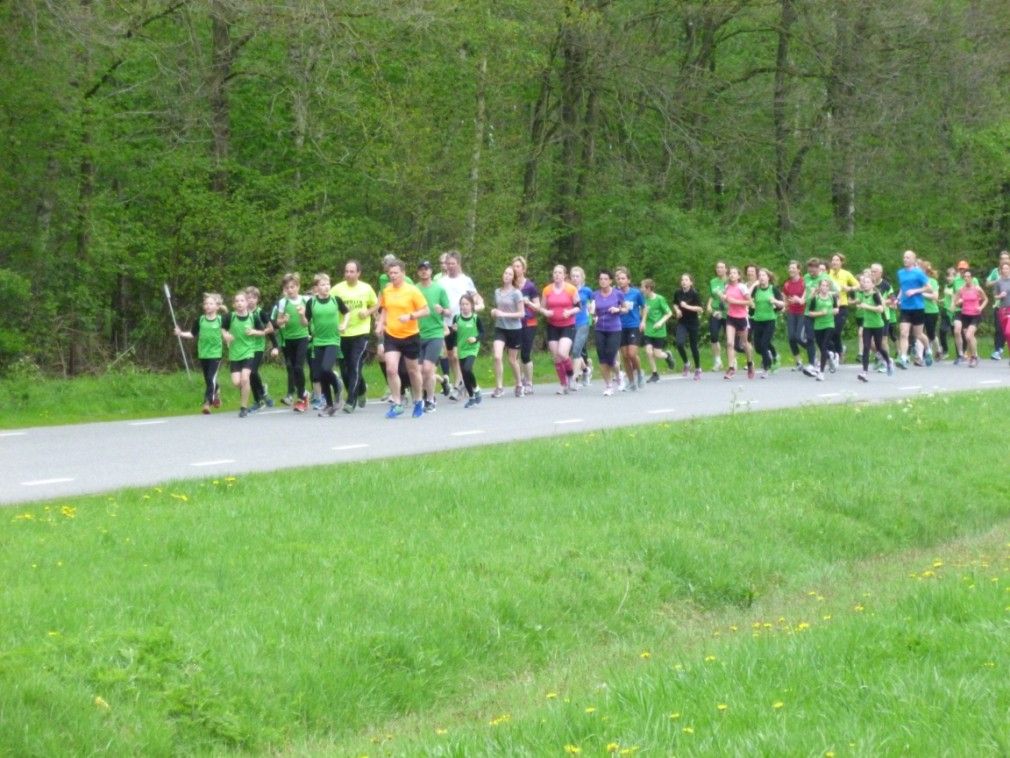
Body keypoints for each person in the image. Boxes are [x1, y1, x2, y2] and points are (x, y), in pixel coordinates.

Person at [375, 260, 429, 418]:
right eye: (390, 273)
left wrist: (411, 316)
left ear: (403, 274)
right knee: (391, 368)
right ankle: (397, 403)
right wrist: (380, 324)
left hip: (410, 335)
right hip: (391, 335)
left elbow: (426, 311)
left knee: (413, 371)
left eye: (395, 273)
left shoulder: (412, 291)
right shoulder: (387, 290)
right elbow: (385, 308)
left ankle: (419, 400)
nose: (392, 276)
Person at [333, 259, 378, 413]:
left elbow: (376, 304)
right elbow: (329, 303)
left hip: (361, 332)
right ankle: (361, 389)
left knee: (354, 364)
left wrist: (368, 312)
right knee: (345, 368)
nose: (349, 274)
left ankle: (351, 399)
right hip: (343, 333)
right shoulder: (337, 289)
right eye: (346, 271)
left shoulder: (366, 288)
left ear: (359, 273)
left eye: (352, 271)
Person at [439, 251, 484, 400]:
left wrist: (475, 307)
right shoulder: (441, 281)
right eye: (448, 264)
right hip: (448, 323)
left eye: (453, 263)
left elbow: (477, 299)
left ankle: (459, 384)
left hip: (463, 324)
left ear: (458, 264)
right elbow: (438, 301)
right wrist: (441, 310)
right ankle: (460, 381)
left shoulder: (466, 280)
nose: (450, 266)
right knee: (451, 355)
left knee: (459, 354)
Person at [302, 274, 350, 416]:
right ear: (316, 288)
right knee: (320, 374)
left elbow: (347, 313)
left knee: (325, 368)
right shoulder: (312, 303)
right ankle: (329, 405)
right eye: (322, 285)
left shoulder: (336, 300)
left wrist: (344, 324)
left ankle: (337, 385)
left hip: (333, 340)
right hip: (318, 341)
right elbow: (305, 323)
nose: (326, 287)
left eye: (328, 284)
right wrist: (301, 315)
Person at [174, 292, 226, 414]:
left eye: (211, 303)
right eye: (206, 303)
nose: (207, 306)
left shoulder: (221, 320)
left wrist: (229, 337)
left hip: (216, 354)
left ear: (217, 306)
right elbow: (192, 334)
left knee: (210, 377)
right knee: (208, 379)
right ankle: (216, 390)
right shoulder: (200, 320)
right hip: (203, 354)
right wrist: (180, 333)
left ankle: (207, 402)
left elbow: (228, 332)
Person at [221, 290, 267, 417]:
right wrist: (226, 335)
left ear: (247, 303)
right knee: (237, 382)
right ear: (234, 305)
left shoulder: (253, 317)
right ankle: (252, 394)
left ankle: (243, 407)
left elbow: (263, 331)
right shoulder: (230, 317)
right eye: (237, 301)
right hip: (234, 354)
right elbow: (223, 329)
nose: (239, 303)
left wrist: (253, 331)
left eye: (242, 301)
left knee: (245, 378)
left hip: (249, 352)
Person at [539, 264, 581, 394]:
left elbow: (578, 306)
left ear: (564, 275)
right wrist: (545, 313)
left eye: (559, 273)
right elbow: (542, 307)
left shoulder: (571, 289)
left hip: (567, 325)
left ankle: (570, 374)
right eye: (555, 273)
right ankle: (563, 384)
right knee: (557, 357)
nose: (556, 275)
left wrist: (569, 312)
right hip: (552, 325)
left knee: (563, 353)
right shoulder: (547, 290)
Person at [415, 260, 451, 412]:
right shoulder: (414, 290)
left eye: (427, 269)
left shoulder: (439, 289)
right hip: (417, 334)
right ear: (418, 272)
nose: (424, 272)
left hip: (435, 333)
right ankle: (425, 396)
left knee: (428, 369)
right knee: (418, 370)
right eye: (421, 269)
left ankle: (430, 399)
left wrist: (442, 310)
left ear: (431, 271)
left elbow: (449, 311)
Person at [273, 273, 311, 412]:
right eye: (287, 287)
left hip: (302, 337)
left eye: (293, 287)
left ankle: (301, 398)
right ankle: (304, 393)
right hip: (288, 339)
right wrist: (284, 320)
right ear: (284, 289)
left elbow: (307, 322)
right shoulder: (283, 302)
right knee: (292, 367)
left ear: (298, 287)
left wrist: (302, 315)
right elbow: (277, 322)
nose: (290, 290)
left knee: (298, 367)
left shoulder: (306, 300)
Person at [490, 265, 524, 398]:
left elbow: (522, 314)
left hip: (515, 329)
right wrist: (493, 312)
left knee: (512, 360)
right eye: (505, 273)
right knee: (497, 356)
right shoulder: (497, 291)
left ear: (513, 278)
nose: (507, 276)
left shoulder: (516, 293)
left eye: (510, 274)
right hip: (500, 328)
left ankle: (519, 384)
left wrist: (504, 314)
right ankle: (499, 387)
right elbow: (497, 309)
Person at [895, 249, 933, 369]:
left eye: (908, 257)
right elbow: (903, 287)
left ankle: (928, 350)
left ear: (913, 260)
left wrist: (915, 291)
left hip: (917, 307)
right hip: (905, 307)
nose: (905, 259)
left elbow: (929, 288)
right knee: (903, 333)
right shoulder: (900, 273)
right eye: (904, 257)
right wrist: (898, 298)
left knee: (918, 334)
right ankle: (903, 357)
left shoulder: (918, 273)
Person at [589, 270, 625, 396]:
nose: (603, 281)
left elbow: (625, 309)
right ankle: (609, 385)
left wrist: (618, 309)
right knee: (602, 358)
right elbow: (593, 312)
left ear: (610, 281)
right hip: (599, 329)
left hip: (614, 328)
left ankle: (618, 373)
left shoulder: (618, 294)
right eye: (600, 279)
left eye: (605, 279)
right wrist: (592, 314)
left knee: (611, 356)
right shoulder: (595, 295)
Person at [853, 273, 893, 381]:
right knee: (866, 347)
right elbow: (858, 300)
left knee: (879, 347)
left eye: (867, 282)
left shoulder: (875, 295)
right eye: (864, 282)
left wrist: (867, 306)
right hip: (867, 325)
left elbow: (881, 309)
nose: (865, 284)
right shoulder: (862, 294)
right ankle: (864, 372)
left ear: (872, 284)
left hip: (878, 325)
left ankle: (888, 361)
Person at [719, 266, 755, 379]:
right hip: (731, 317)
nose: (732, 275)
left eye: (734, 273)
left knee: (745, 344)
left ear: (739, 276)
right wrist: (723, 298)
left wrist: (734, 301)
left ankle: (750, 364)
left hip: (742, 318)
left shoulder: (742, 287)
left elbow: (750, 303)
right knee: (730, 343)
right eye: (730, 273)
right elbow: (726, 301)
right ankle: (731, 368)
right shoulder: (727, 286)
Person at [244, 286, 275, 410]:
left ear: (257, 299)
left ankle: (260, 396)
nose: (250, 300)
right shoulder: (242, 313)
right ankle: (260, 397)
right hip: (245, 347)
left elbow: (271, 328)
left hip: (258, 346)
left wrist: (257, 332)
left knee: (252, 371)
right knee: (249, 374)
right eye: (248, 298)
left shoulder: (260, 313)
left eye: (253, 298)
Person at [512, 256, 540, 394]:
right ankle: (521, 379)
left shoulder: (530, 286)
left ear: (523, 268)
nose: (516, 269)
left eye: (518, 266)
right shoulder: (510, 285)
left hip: (529, 322)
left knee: (525, 353)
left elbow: (538, 307)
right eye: (514, 266)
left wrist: (527, 302)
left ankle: (529, 382)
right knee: (514, 354)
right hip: (514, 323)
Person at [615, 266, 645, 390]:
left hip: (633, 325)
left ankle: (639, 372)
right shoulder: (615, 293)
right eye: (619, 278)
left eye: (623, 278)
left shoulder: (636, 293)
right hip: (620, 326)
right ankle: (631, 381)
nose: (620, 280)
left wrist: (643, 321)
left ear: (628, 280)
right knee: (625, 356)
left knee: (632, 354)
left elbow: (644, 307)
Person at [640, 278, 676, 382]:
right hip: (648, 330)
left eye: (642, 287)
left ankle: (667, 355)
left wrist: (660, 322)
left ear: (649, 288)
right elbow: (642, 314)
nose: (641, 289)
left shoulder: (660, 299)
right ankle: (655, 374)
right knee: (648, 351)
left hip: (659, 330)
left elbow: (669, 313)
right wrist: (643, 319)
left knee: (657, 354)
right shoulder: (643, 299)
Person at [750, 268, 784, 378]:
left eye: (763, 275)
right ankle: (773, 354)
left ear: (768, 278)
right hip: (757, 320)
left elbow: (782, 304)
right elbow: (747, 296)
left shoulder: (773, 289)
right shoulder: (756, 290)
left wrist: (775, 301)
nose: (761, 277)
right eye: (759, 275)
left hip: (770, 320)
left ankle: (766, 368)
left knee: (764, 344)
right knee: (758, 347)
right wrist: (753, 285)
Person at [782, 261, 814, 370]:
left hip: (803, 312)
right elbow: (785, 299)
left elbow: (808, 296)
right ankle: (799, 362)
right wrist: (783, 307)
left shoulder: (804, 282)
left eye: (793, 268)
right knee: (791, 338)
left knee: (799, 337)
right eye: (789, 268)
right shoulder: (787, 284)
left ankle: (812, 354)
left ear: (799, 270)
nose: (791, 270)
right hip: (791, 312)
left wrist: (801, 300)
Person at [453, 294, 484, 408]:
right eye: (462, 304)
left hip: (472, 348)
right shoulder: (456, 318)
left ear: (471, 305)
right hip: (462, 349)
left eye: (467, 304)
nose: (464, 306)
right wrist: (454, 330)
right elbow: (454, 336)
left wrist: (475, 338)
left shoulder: (476, 318)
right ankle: (471, 397)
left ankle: (476, 389)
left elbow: (482, 333)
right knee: (465, 374)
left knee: (467, 368)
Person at [671, 273, 703, 380]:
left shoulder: (695, 293)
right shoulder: (678, 292)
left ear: (691, 282)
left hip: (693, 322)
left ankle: (698, 369)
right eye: (682, 280)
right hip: (682, 322)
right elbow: (675, 303)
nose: (684, 282)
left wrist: (687, 306)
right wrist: (677, 310)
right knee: (679, 343)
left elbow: (700, 309)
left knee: (694, 346)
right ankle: (686, 363)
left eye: (686, 280)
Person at [828, 253, 859, 363]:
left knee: (836, 331)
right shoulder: (828, 273)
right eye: (833, 260)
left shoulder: (846, 274)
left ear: (841, 262)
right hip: (829, 307)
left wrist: (849, 288)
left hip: (842, 306)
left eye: (837, 260)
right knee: (829, 331)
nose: (834, 262)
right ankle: (834, 354)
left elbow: (858, 285)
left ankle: (839, 351)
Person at [953, 268, 988, 367]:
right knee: (969, 338)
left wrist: (980, 307)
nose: (967, 278)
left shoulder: (977, 288)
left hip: (975, 315)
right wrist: (958, 302)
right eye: (965, 277)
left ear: (972, 278)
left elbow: (986, 299)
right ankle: (975, 355)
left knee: (969, 335)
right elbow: (955, 302)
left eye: (969, 276)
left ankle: (974, 357)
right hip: (965, 315)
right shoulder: (961, 289)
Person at [807, 278, 839, 381]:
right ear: (819, 287)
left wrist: (833, 311)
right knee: (822, 348)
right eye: (822, 285)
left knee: (824, 346)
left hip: (829, 324)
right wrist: (820, 313)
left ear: (828, 287)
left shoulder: (832, 296)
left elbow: (836, 309)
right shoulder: (815, 299)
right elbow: (810, 313)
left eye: (826, 286)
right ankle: (829, 356)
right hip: (818, 326)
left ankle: (821, 372)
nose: (824, 287)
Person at [570, 266, 594, 388]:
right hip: (569, 322)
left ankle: (574, 379)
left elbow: (594, 300)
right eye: (573, 276)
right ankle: (586, 370)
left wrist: (592, 309)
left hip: (583, 322)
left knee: (576, 350)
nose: (575, 278)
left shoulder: (586, 290)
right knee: (574, 351)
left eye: (577, 276)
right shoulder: (568, 290)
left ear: (582, 277)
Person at [985, 251, 1010, 359]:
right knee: (999, 329)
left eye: (1006, 258)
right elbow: (987, 283)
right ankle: (998, 350)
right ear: (1000, 260)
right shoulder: (995, 271)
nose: (1004, 260)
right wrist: (998, 281)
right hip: (999, 305)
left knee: (1007, 330)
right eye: (1002, 258)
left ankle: (999, 349)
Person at [706, 261, 728, 372]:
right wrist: (709, 305)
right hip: (716, 311)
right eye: (717, 267)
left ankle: (732, 361)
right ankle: (718, 361)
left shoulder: (730, 281)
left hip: (728, 312)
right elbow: (711, 296)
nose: (719, 269)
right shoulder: (713, 281)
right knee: (714, 336)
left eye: (721, 267)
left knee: (729, 338)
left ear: (726, 269)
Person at [919, 260, 941, 359]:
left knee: (931, 334)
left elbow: (935, 297)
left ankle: (938, 349)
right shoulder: (918, 282)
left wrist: (922, 294)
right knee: (919, 332)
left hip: (931, 311)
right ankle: (921, 356)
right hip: (919, 310)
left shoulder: (933, 281)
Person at [992, 261, 1010, 363]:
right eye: (1003, 269)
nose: (1005, 270)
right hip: (1002, 310)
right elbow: (995, 296)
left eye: (1007, 268)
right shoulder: (999, 282)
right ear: (1001, 270)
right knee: (1006, 334)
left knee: (1008, 332)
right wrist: (1000, 296)